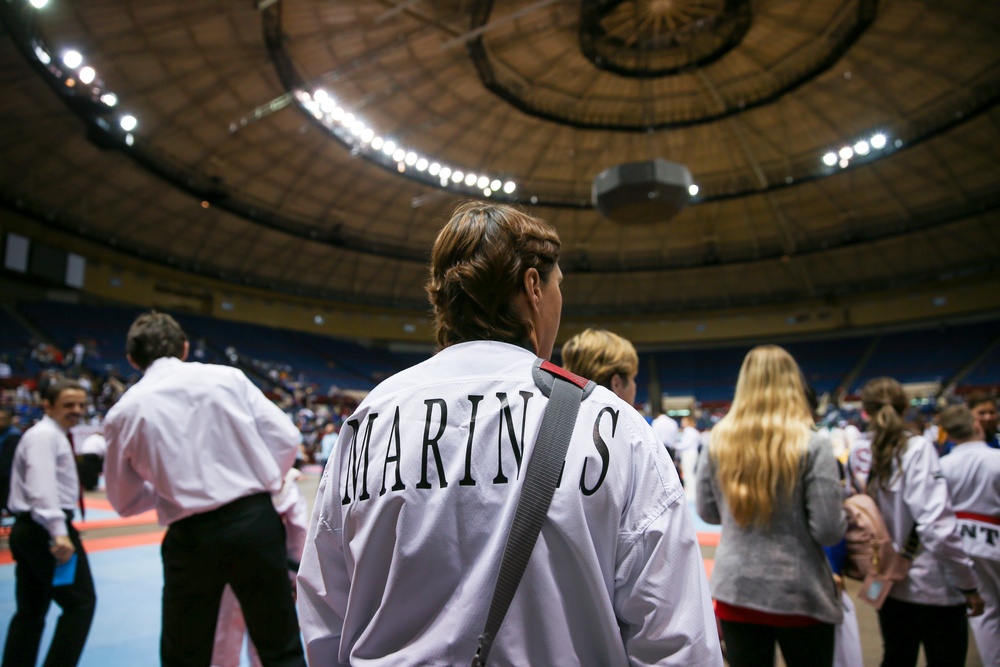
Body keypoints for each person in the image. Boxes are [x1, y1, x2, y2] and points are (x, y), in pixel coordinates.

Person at [297, 202, 721, 666]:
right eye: (559, 287)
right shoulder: (614, 426)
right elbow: (678, 643)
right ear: (533, 287)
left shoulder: (366, 422)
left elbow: (324, 617)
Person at [103, 312, 307, 667]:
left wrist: (167, 489)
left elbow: (123, 501)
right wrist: (260, 479)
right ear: (184, 348)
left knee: (186, 655)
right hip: (254, 522)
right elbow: (288, 438)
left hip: (190, 537)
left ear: (133, 359)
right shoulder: (227, 378)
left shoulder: (124, 412)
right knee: (280, 647)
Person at [696, 345, 846, 667]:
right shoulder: (813, 443)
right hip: (798, 591)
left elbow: (707, 512)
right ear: (793, 384)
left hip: (736, 588)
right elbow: (829, 529)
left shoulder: (717, 440)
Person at [848, 377, 984, 667]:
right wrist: (968, 583)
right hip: (931, 583)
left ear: (865, 412)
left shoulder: (858, 451)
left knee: (896, 655)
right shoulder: (918, 448)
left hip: (885, 579)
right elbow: (936, 527)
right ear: (905, 407)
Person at [2, 379, 96, 667]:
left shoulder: (53, 434)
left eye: (81, 405)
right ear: (47, 405)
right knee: (80, 604)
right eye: (68, 405)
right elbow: (40, 487)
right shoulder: (44, 436)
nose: (77, 410)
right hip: (46, 530)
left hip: (32, 528)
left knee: (31, 611)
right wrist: (59, 532)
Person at [212, 468, 310, 667]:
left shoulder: (222, 475)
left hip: (226, 566)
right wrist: (294, 575)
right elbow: (298, 531)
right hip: (272, 571)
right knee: (270, 644)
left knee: (224, 642)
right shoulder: (284, 481)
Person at [937, 404, 1000, 665]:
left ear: (950, 434)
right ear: (976, 426)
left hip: (964, 542)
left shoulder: (942, 464)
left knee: (986, 613)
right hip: (994, 535)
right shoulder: (996, 458)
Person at [560, 327, 638, 404]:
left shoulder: (556, 412)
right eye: (632, 378)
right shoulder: (633, 416)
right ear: (616, 384)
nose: (634, 386)